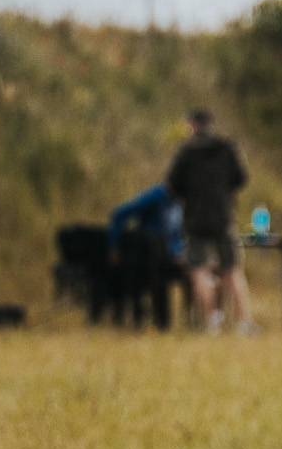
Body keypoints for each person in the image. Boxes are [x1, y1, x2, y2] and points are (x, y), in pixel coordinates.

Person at [166, 109, 257, 335]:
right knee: (232, 268)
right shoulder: (226, 148)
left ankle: (211, 321)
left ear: (192, 126)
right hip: (223, 217)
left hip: (195, 218)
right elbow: (241, 178)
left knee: (199, 269)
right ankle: (244, 322)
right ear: (211, 125)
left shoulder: (186, 152)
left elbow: (173, 185)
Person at [107, 182, 186, 331]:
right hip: (144, 255)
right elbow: (120, 214)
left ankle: (164, 325)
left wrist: (178, 253)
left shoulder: (178, 204)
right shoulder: (157, 197)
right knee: (140, 285)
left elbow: (177, 235)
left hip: (166, 258)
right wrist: (114, 245)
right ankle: (138, 321)